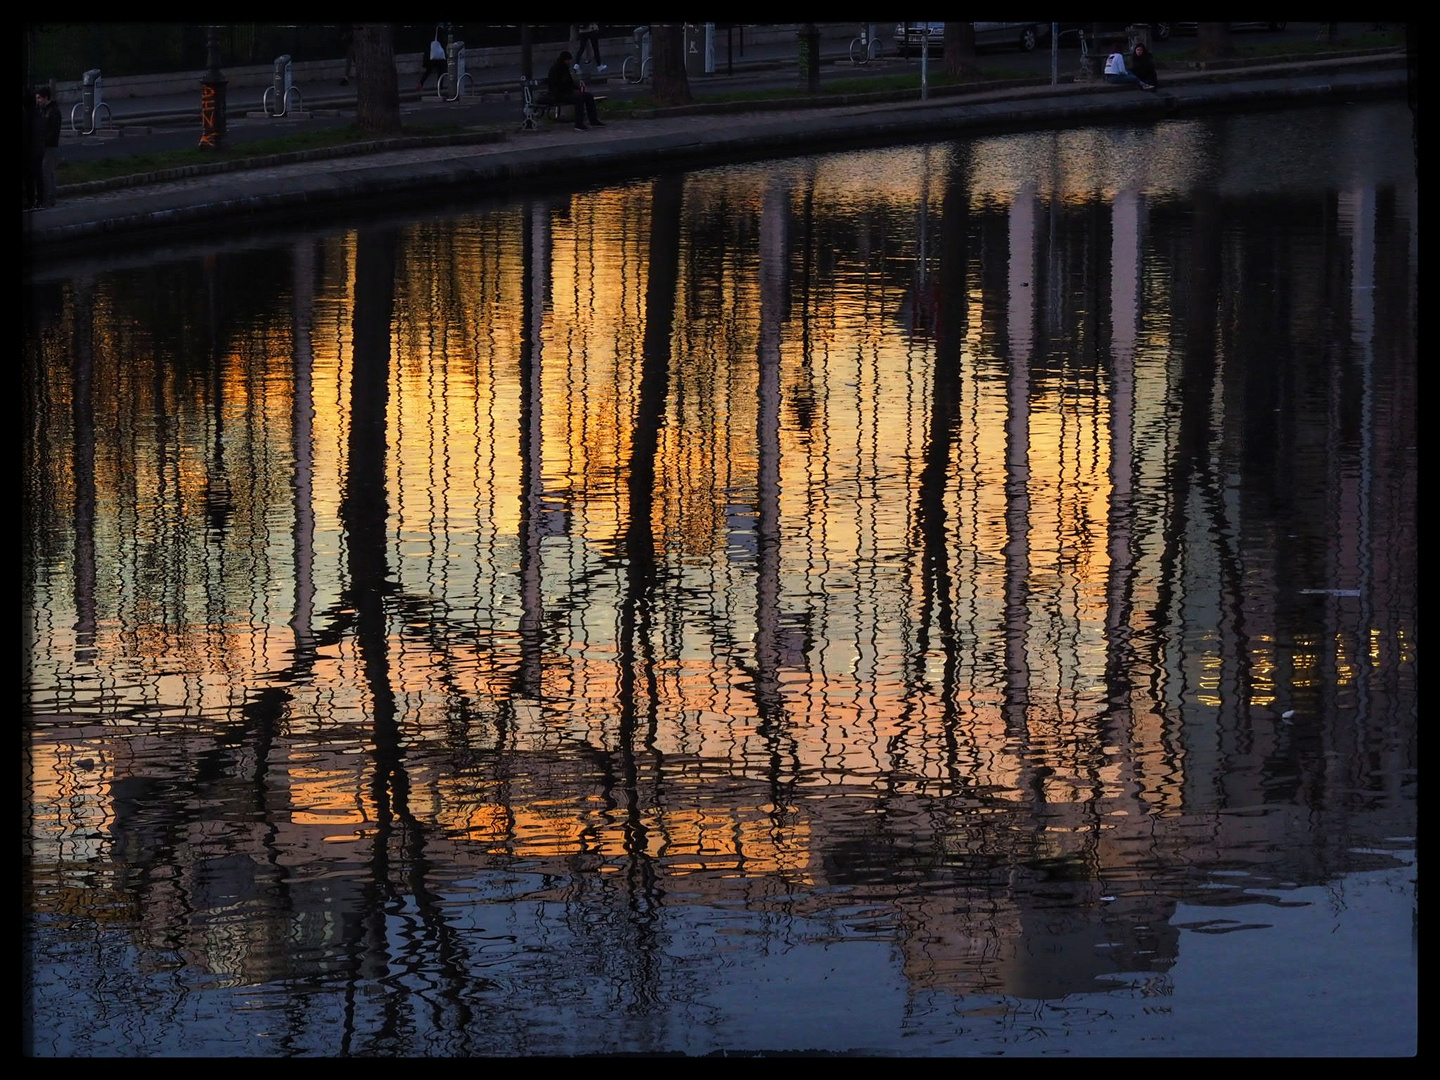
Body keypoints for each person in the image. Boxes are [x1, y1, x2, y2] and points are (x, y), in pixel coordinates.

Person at [547, 50, 604, 131]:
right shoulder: (559, 69)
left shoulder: (563, 67)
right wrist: (574, 89)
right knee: (579, 98)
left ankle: (593, 120)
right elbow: (561, 84)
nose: (570, 62)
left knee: (588, 96)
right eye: (569, 60)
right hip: (558, 94)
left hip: (563, 92)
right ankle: (579, 123)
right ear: (566, 60)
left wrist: (577, 88)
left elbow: (568, 83)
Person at [35, 86, 61, 209]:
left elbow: (50, 131)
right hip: (47, 145)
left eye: (39, 98)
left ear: (46, 97)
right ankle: (49, 199)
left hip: (49, 146)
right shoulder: (45, 110)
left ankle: (49, 200)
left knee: (47, 173)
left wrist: (42, 141)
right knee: (48, 173)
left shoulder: (52, 112)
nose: (38, 101)